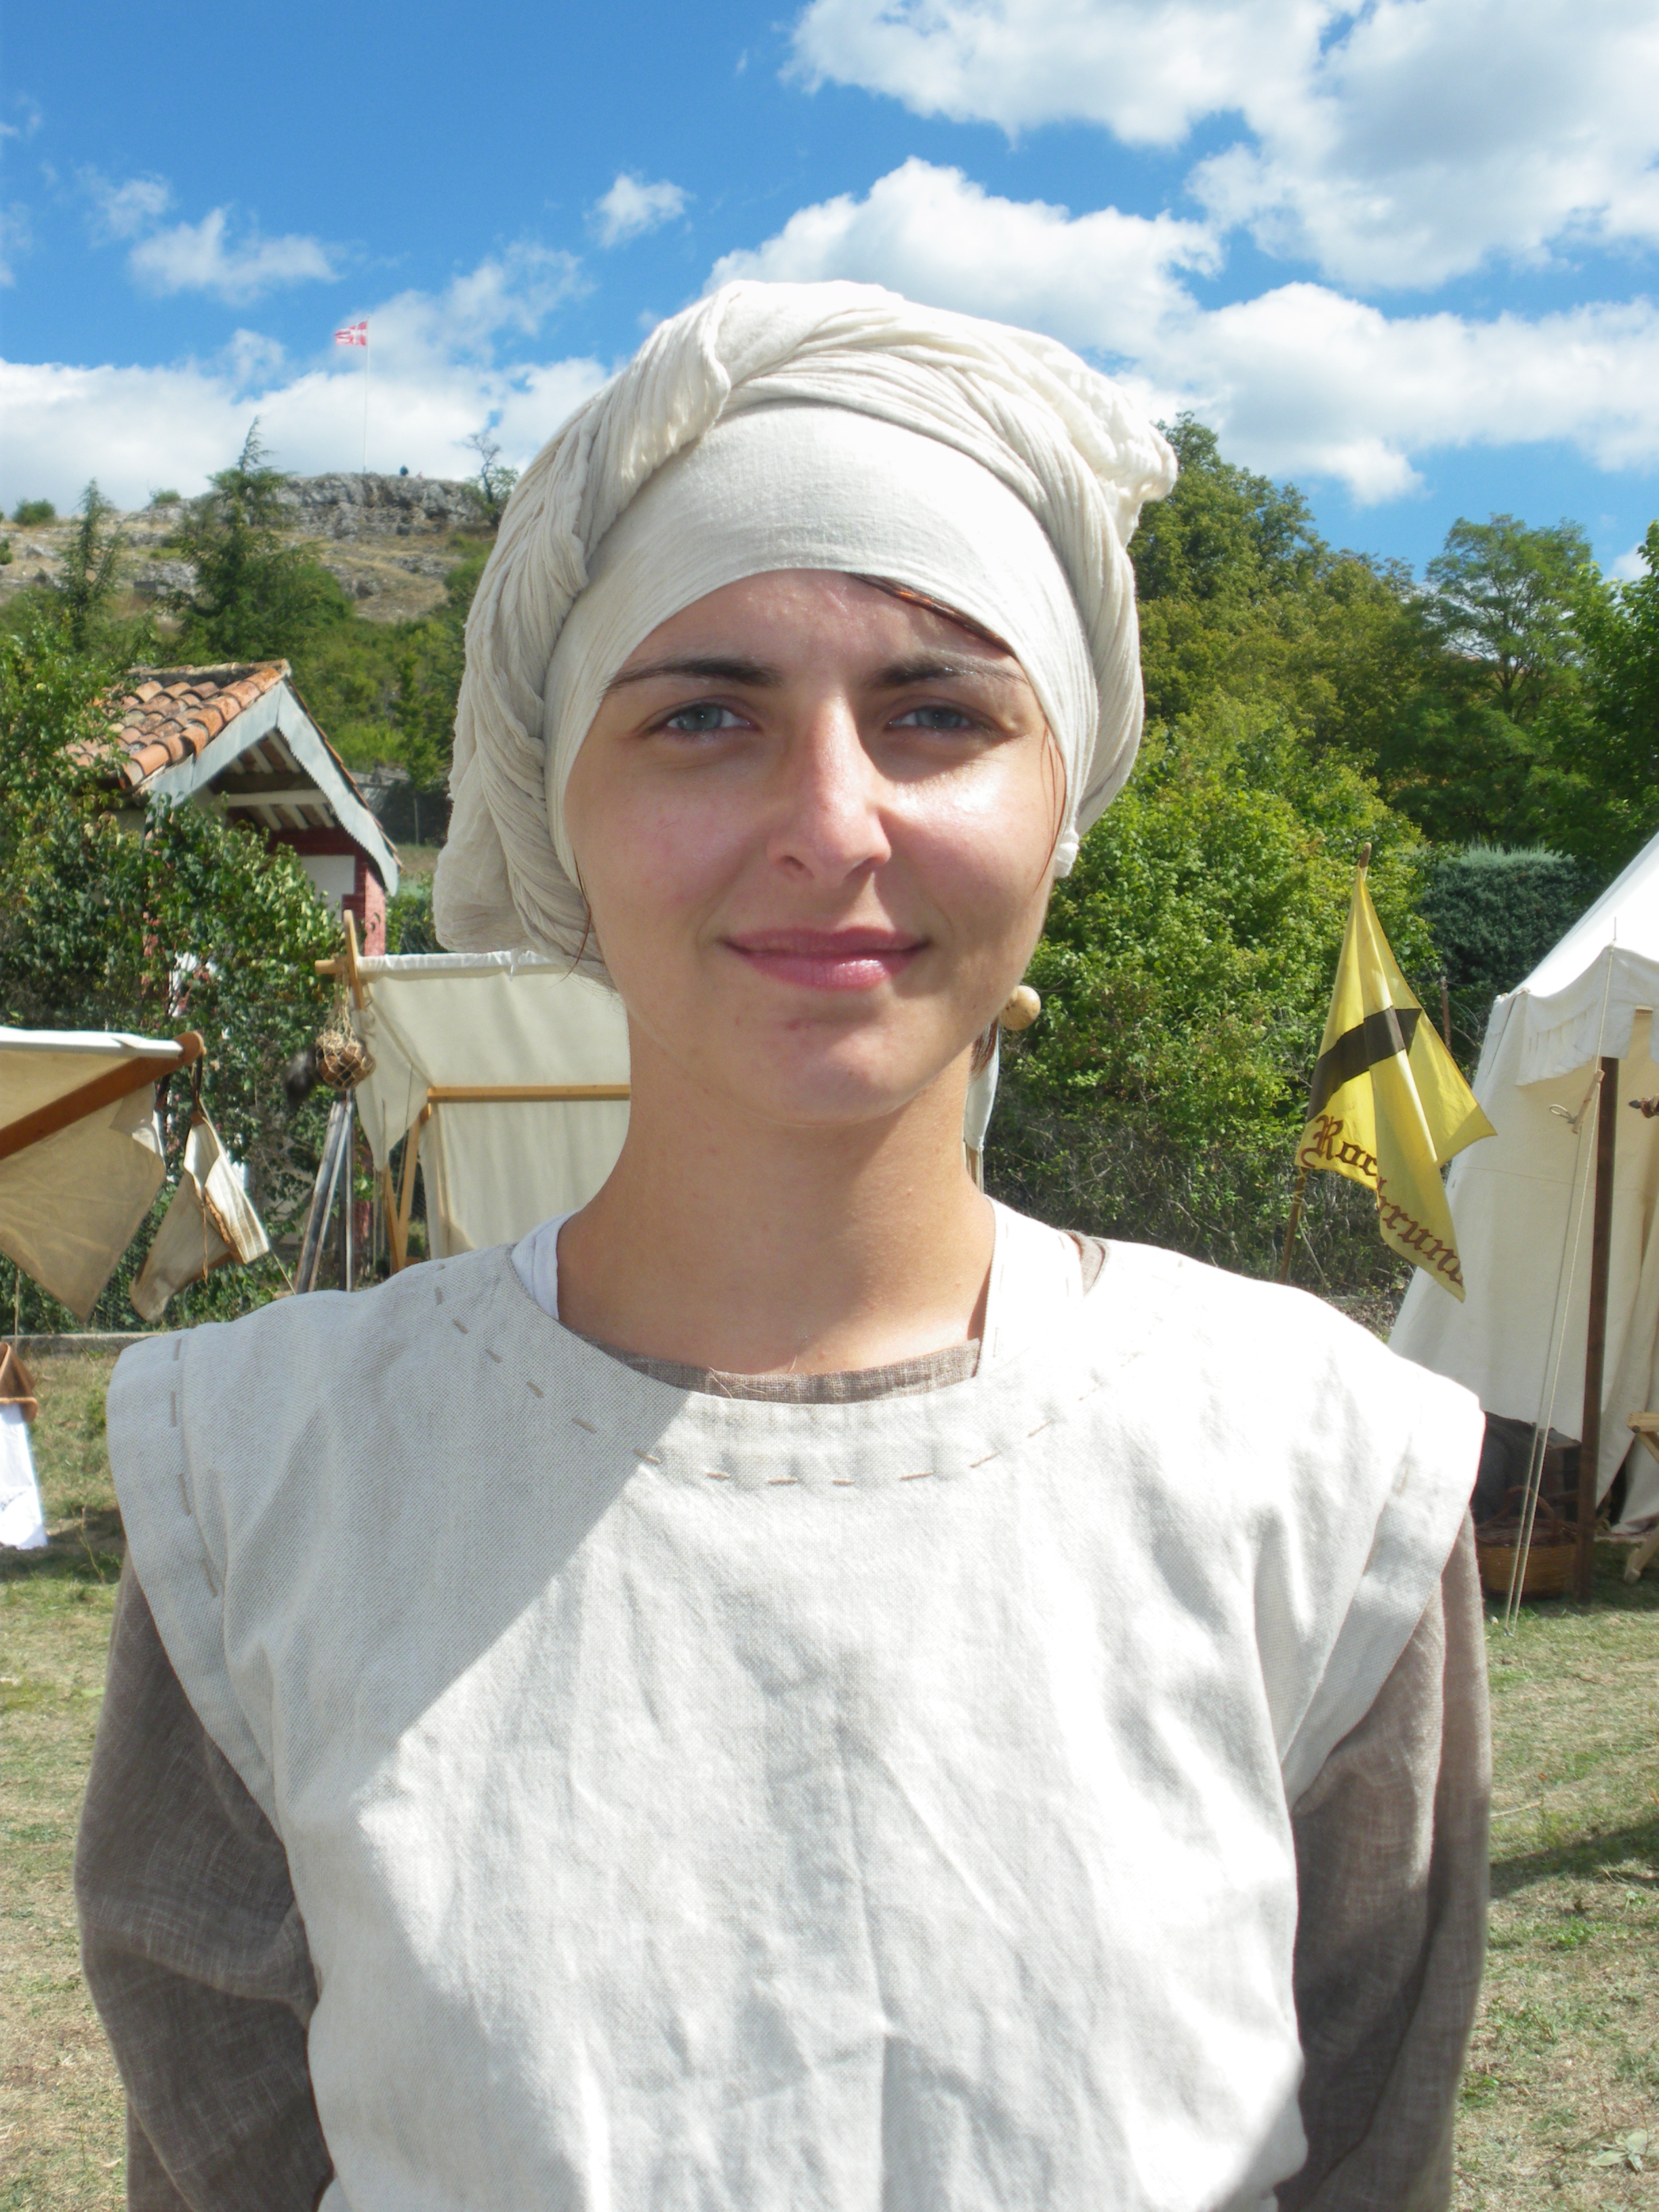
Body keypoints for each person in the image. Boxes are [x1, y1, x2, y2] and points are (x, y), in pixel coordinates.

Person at [79, 282, 1489, 2212]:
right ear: (562, 809)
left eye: (940, 714)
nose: (833, 824)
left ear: (1061, 799)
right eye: (704, 716)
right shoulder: (272, 1482)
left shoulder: (1315, 1475)